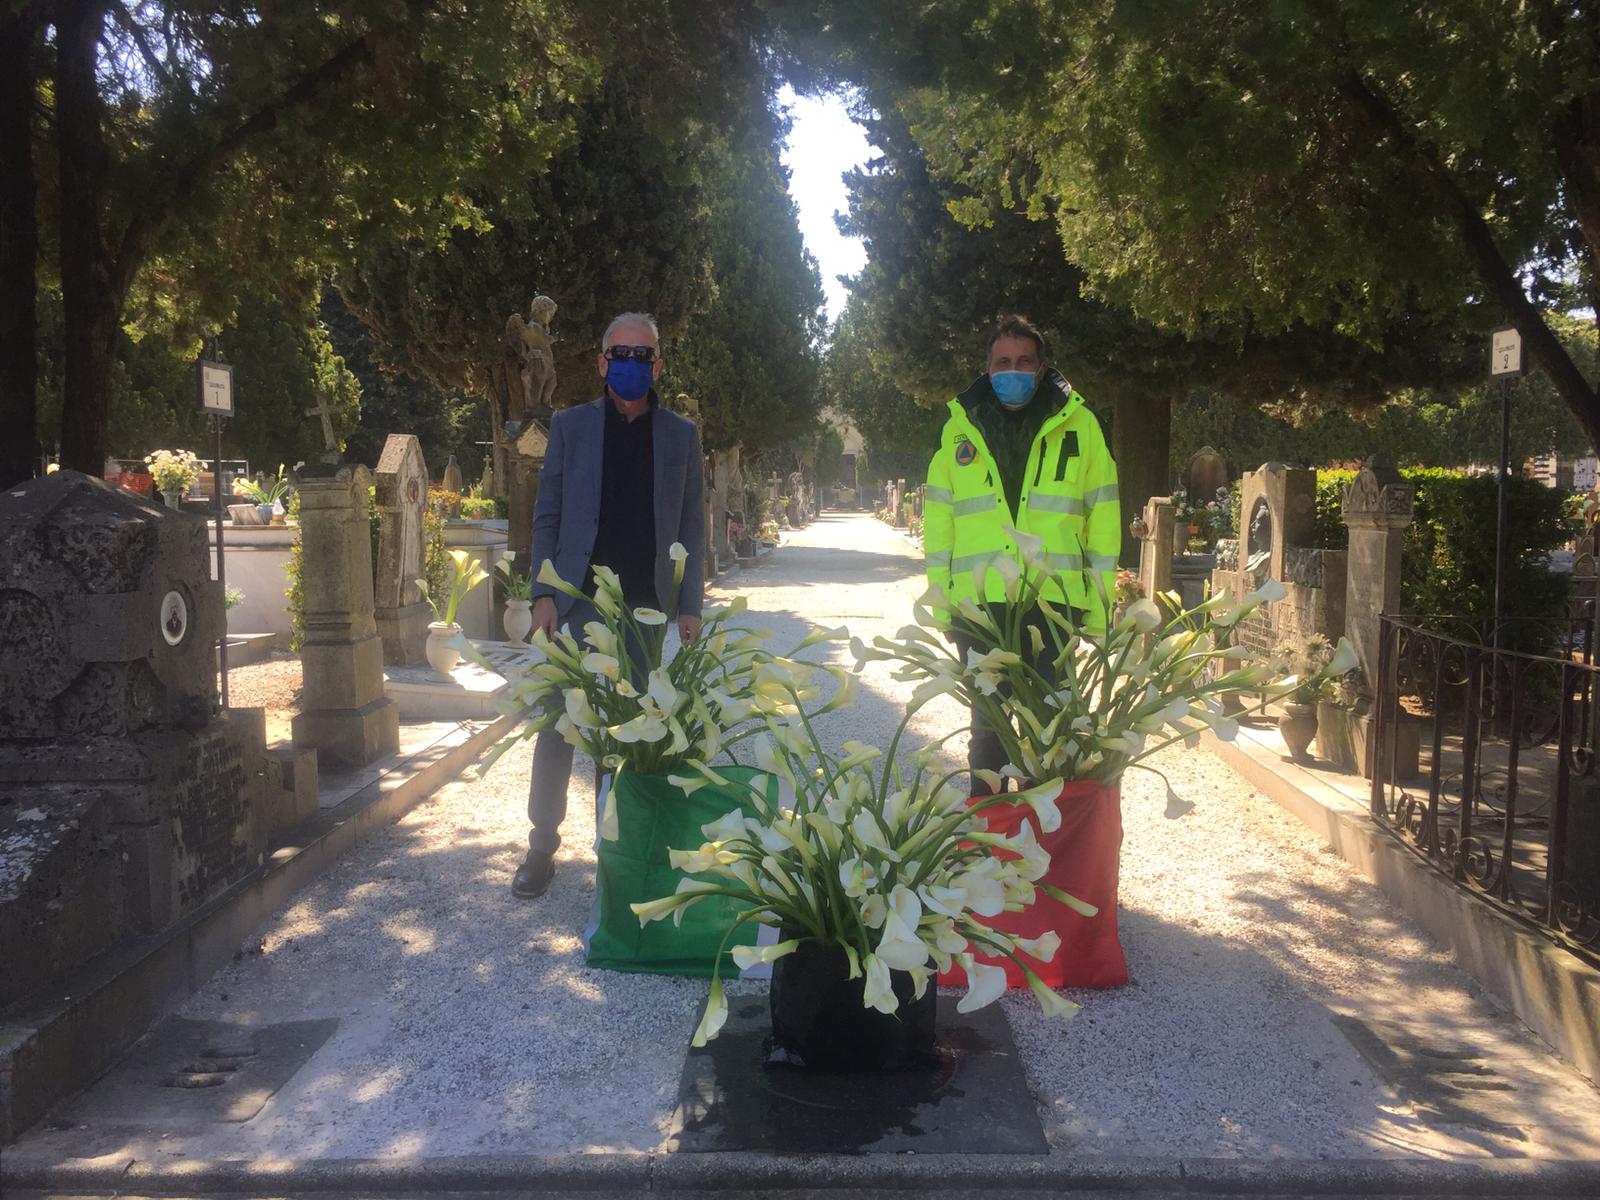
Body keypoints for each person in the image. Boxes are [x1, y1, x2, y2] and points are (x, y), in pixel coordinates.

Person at [512, 312, 705, 899]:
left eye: (641, 356)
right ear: (601, 362)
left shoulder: (681, 436)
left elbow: (692, 525)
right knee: (557, 723)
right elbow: (546, 514)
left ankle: (614, 849)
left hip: (644, 611)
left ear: (656, 365)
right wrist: (543, 594)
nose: (629, 364)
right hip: (576, 603)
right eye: (619, 354)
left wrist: (689, 603)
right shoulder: (570, 427)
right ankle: (541, 845)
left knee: (629, 732)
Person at [923, 314, 1120, 794]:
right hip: (980, 607)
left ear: (1042, 366)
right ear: (987, 369)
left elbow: (1104, 519)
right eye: (1003, 362)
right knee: (987, 735)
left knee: (1046, 736)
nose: (1013, 370)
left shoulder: (1080, 425)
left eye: (1024, 361)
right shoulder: (959, 432)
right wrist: (945, 608)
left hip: (1054, 605)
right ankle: (983, 853)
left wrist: (1098, 610)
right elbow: (940, 527)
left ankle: (1038, 851)